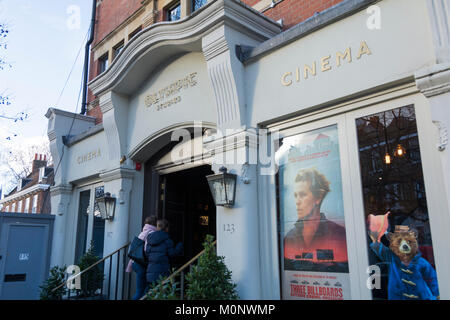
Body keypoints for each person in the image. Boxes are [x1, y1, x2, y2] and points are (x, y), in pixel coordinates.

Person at [283, 168, 348, 271]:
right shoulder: (289, 237)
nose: (297, 201)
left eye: (303, 195)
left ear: (318, 198)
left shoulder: (338, 234)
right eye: (295, 195)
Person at [126, 215, 157, 300]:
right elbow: (147, 249)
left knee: (142, 289)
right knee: (142, 291)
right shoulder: (151, 233)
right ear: (155, 223)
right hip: (142, 264)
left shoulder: (143, 232)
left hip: (135, 263)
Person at [145, 219, 183, 287]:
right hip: (162, 273)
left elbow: (147, 254)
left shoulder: (150, 239)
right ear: (166, 228)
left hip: (150, 273)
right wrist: (179, 246)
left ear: (157, 227)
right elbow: (172, 254)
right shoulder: (167, 240)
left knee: (152, 295)